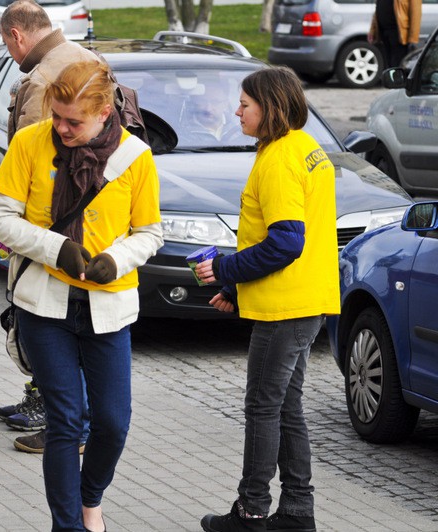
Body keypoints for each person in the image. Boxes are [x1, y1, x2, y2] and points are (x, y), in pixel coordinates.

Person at [0, 60, 163, 532]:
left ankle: (90, 499)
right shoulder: (29, 143)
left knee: (112, 423)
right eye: (56, 116)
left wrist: (117, 259)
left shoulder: (135, 157)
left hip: (109, 309)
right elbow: (1, 219)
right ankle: (67, 525)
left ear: (104, 111)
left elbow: (149, 233)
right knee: (66, 422)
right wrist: (54, 247)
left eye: (73, 121)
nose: (60, 128)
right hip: (44, 307)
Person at [196, 67, 340, 532]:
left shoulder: (279, 159)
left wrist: (223, 268)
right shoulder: (305, 148)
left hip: (286, 308)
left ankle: (251, 511)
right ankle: (298, 510)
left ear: (271, 108)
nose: (236, 111)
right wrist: (236, 289)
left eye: (245, 105)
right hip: (306, 298)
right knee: (285, 406)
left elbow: (285, 243)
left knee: (263, 406)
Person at [0, 0, 101, 453]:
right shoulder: (88, 58)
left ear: (17, 35)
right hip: (90, 220)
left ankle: (66, 425)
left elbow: (35, 161)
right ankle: (67, 418)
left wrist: (7, 215)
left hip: (51, 228)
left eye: (6, 42)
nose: (9, 50)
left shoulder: (43, 79)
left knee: (49, 323)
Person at [369, 0, 422, 69]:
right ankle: (389, 78)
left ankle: (397, 79)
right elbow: (377, 11)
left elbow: (416, 13)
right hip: (383, 32)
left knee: (397, 65)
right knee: (387, 65)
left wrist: (413, 39)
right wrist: (372, 31)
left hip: (399, 34)